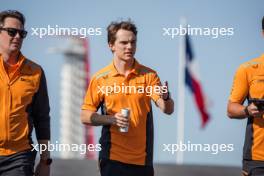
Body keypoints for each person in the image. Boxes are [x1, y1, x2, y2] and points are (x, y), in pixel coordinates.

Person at [81, 20, 174, 176]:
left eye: (133, 42)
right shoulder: (100, 78)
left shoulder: (149, 75)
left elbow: (168, 109)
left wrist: (165, 97)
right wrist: (111, 119)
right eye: (124, 43)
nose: (129, 47)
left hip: (142, 161)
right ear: (111, 45)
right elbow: (85, 115)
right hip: (111, 158)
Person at [0, 10, 51, 176]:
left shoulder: (35, 72)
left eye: (22, 33)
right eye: (11, 32)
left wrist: (45, 161)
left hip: (19, 157)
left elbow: (42, 119)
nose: (17, 37)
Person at [227, 16, 264, 176]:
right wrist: (248, 110)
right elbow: (231, 108)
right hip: (258, 159)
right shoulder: (248, 69)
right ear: (263, 33)